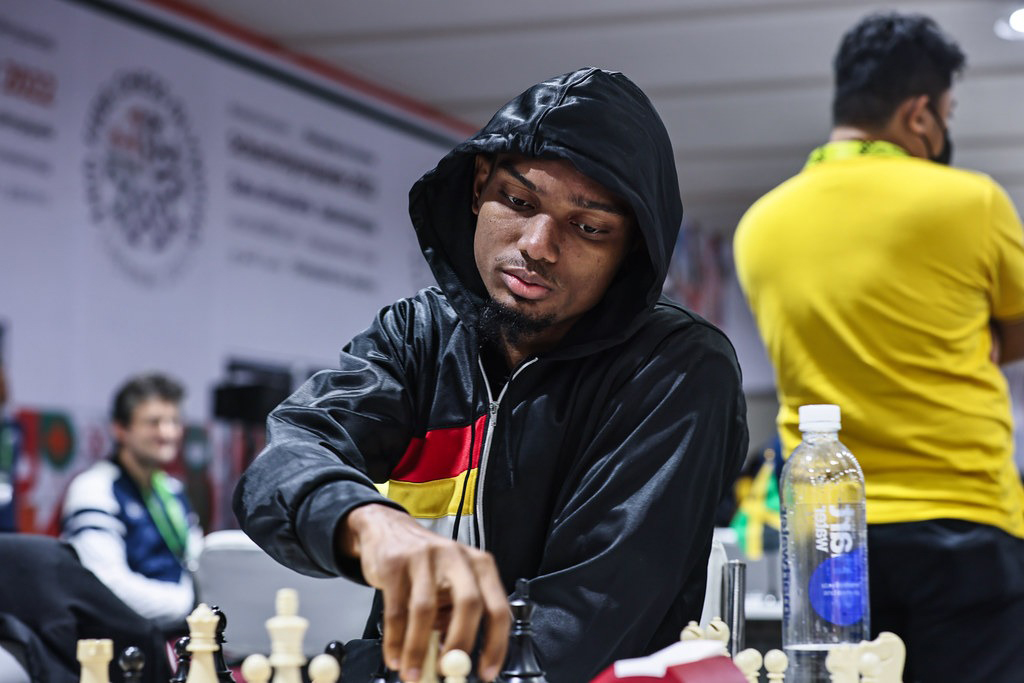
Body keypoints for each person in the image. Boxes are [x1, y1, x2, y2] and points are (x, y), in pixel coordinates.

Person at [234, 67, 748, 683]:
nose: (537, 245)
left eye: (588, 228)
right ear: (479, 188)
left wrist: (356, 668)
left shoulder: (677, 371)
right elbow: (284, 461)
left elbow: (572, 635)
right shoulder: (419, 334)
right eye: (519, 201)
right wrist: (365, 523)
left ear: (631, 250)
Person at [734, 13, 1024, 683]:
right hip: (965, 522)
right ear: (921, 115)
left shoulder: (760, 226)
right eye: (946, 113)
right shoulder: (971, 201)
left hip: (828, 535)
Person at [61, 372, 202, 633]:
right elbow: (106, 585)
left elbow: (196, 563)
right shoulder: (94, 488)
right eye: (153, 422)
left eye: (174, 421)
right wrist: (192, 604)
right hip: (120, 646)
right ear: (120, 428)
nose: (167, 432)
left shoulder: (172, 490)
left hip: (177, 635)